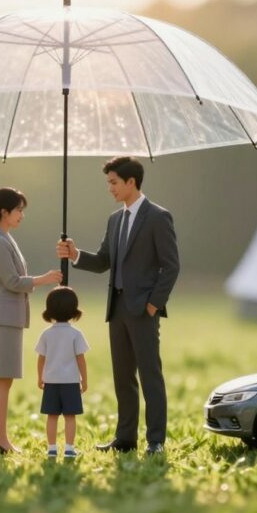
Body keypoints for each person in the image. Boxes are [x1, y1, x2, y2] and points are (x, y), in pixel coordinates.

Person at [56, 157, 180, 455]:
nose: (109, 188)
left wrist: (153, 305)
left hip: (143, 310)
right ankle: (125, 439)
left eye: (113, 182)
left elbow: (171, 266)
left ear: (130, 182)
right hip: (118, 309)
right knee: (122, 377)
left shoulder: (158, 217)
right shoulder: (115, 219)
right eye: (108, 183)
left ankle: (156, 441)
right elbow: (103, 262)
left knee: (150, 375)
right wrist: (74, 254)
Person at [0, 187, 62, 454]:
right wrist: (44, 279)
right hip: (2, 318)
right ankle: (0, 439)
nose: (22, 215)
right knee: (2, 381)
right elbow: (12, 281)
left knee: (0, 381)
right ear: (4, 212)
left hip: (7, 318)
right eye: (19, 210)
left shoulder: (5, 239)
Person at [35, 286, 89, 459]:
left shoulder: (46, 334)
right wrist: (84, 380)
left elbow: (41, 359)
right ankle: (69, 448)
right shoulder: (76, 334)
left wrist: (40, 377)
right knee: (70, 416)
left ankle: (51, 448)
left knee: (52, 415)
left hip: (51, 380)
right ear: (74, 310)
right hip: (71, 381)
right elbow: (81, 359)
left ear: (49, 310)